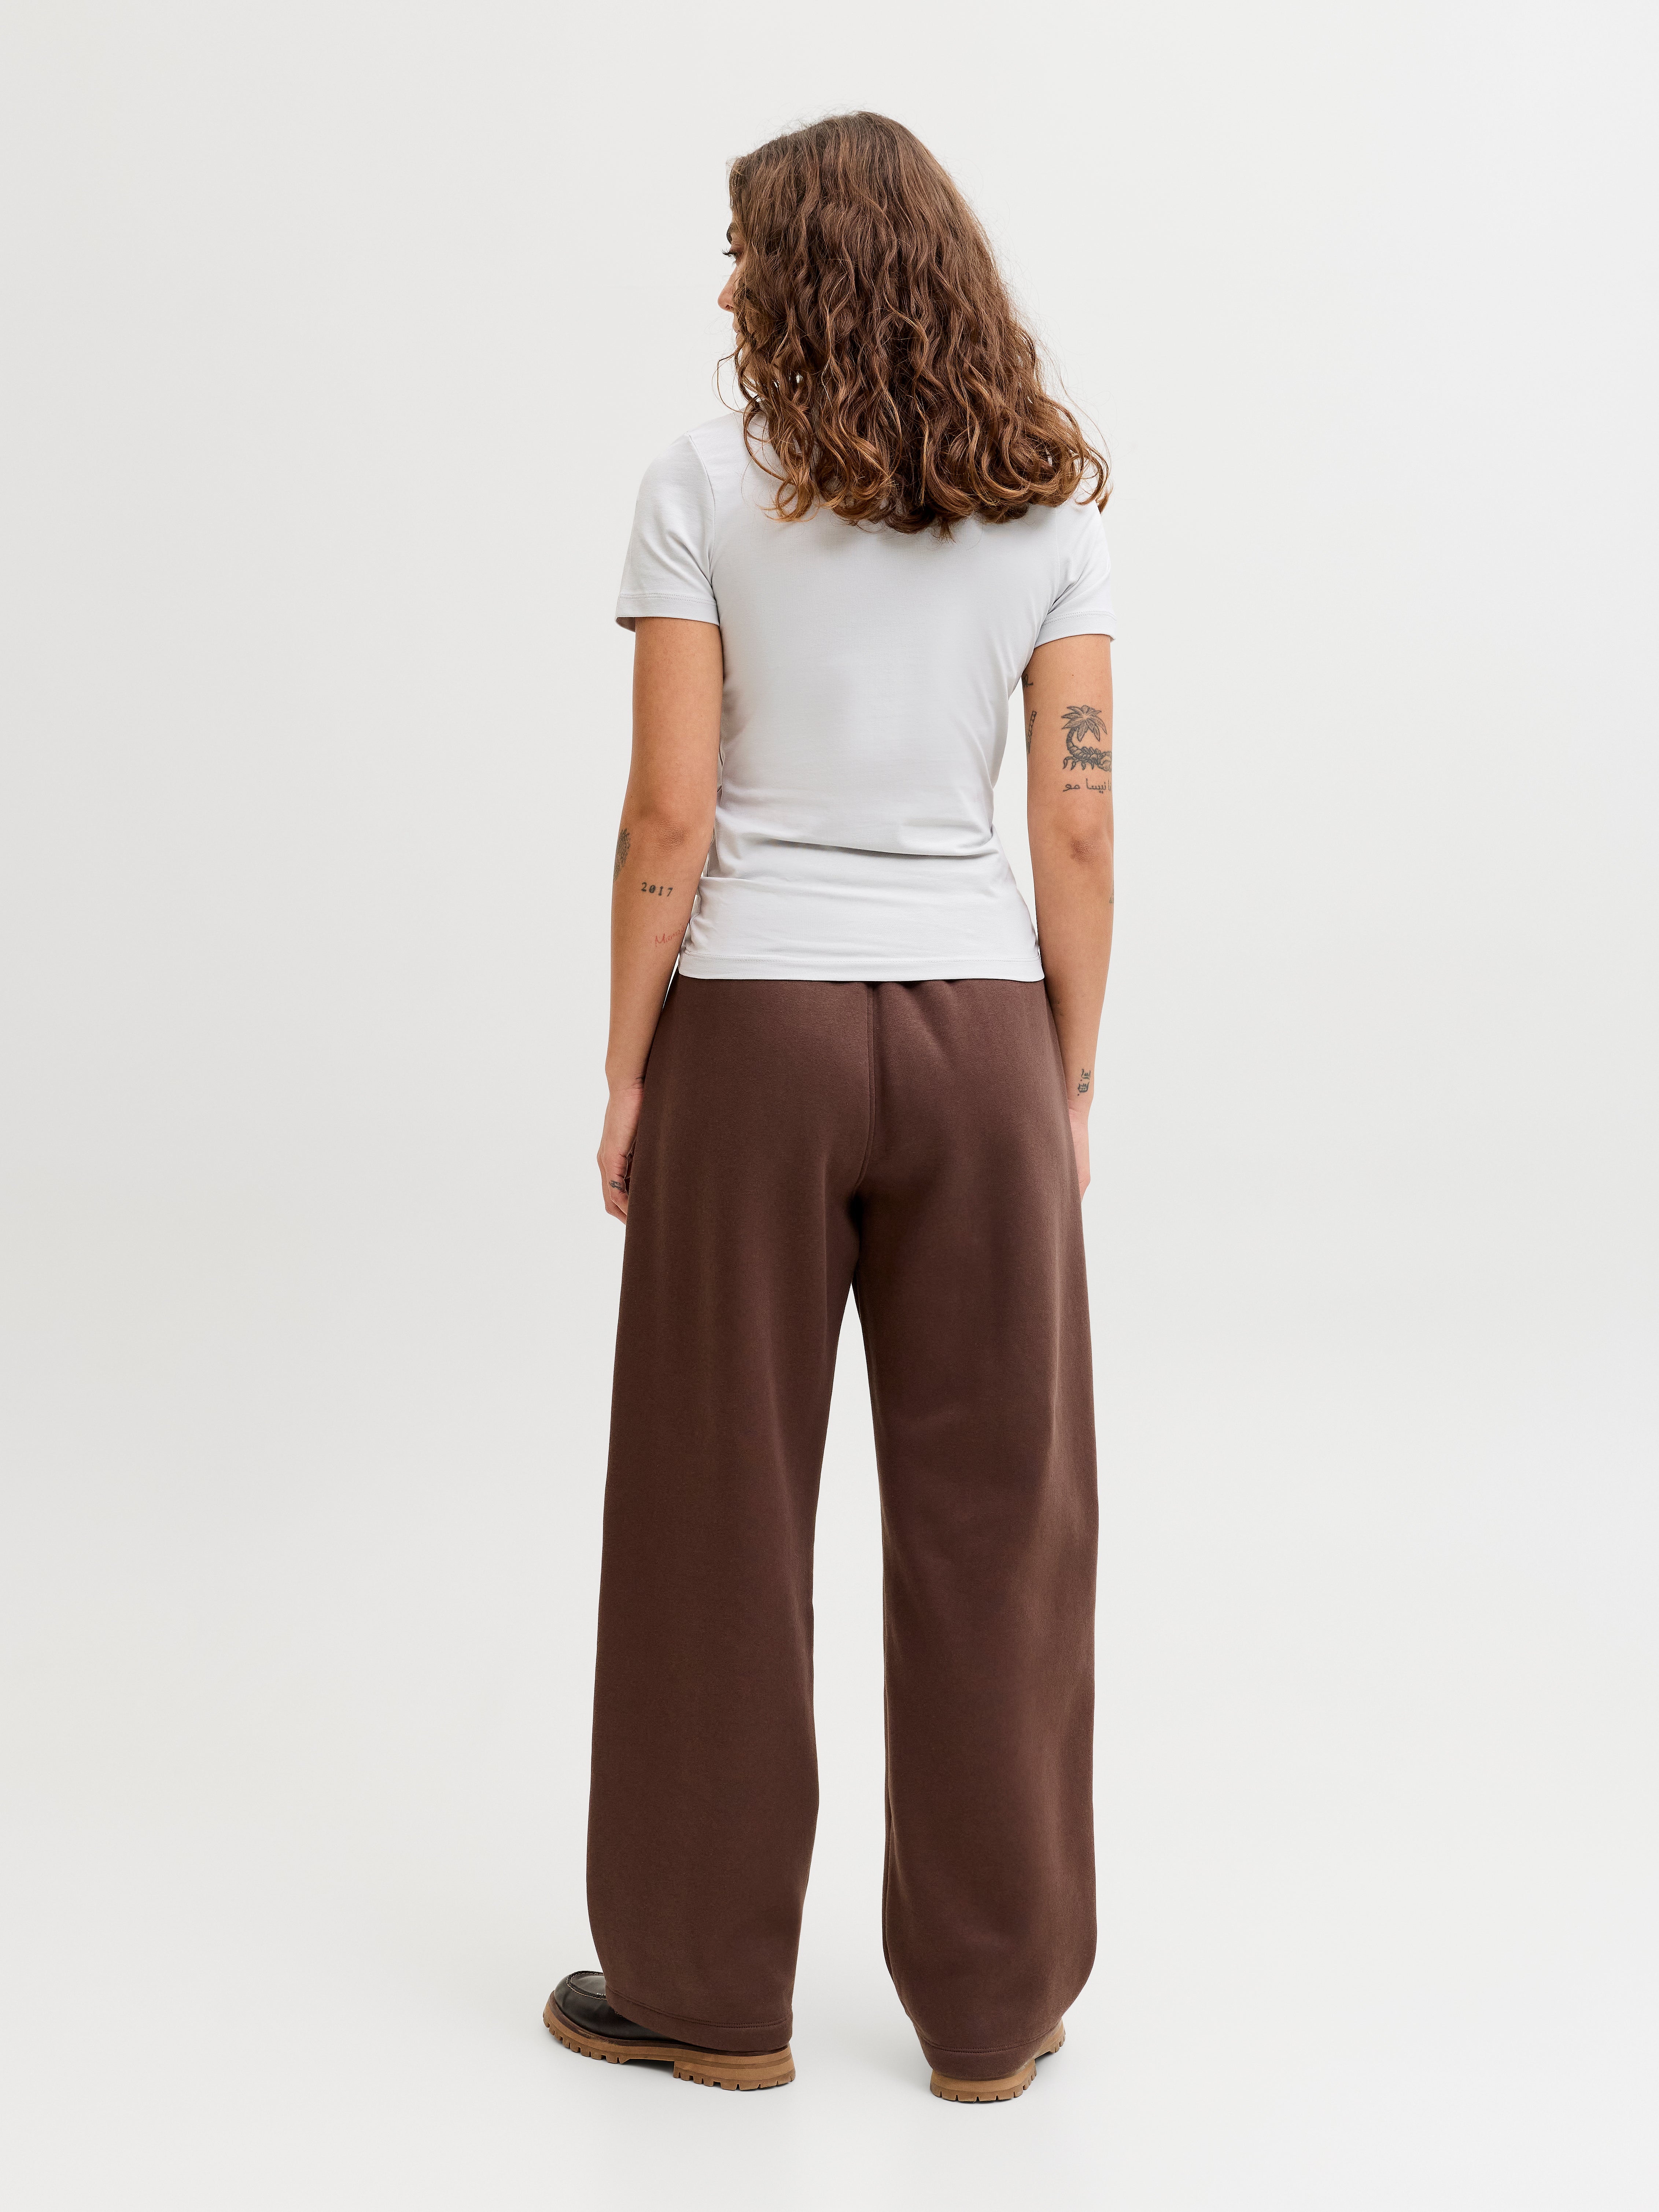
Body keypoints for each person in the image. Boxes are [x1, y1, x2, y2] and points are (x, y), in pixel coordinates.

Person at [545, 111, 1115, 2105]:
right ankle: (994, 2007)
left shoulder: (700, 484)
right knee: (999, 1520)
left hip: (755, 1037)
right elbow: (1077, 825)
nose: (722, 284)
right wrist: (1062, 1080)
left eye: (744, 249)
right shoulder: (1048, 509)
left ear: (802, 271)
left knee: (712, 1506)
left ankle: (707, 1995)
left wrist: (629, 1061)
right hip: (980, 1038)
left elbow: (669, 814)